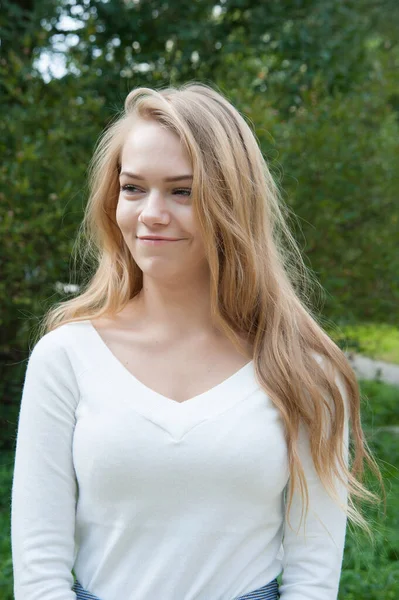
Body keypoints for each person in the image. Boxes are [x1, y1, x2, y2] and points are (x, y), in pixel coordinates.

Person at [11, 82, 382, 600]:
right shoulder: (66, 357)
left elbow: (311, 580)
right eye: (134, 188)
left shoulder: (305, 370)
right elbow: (39, 573)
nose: (151, 214)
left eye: (182, 191)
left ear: (232, 203)